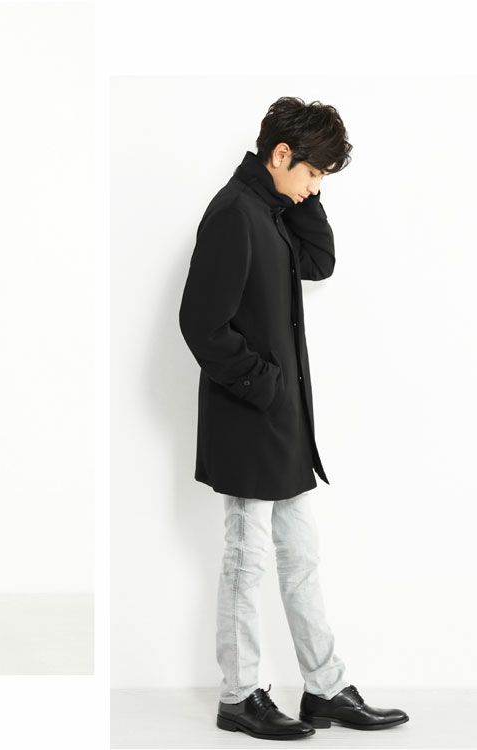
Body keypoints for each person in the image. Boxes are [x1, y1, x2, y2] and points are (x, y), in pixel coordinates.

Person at [178, 97, 408, 740]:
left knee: (301, 556)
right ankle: (238, 696)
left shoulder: (272, 210)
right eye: (312, 173)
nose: (314, 187)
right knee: (246, 559)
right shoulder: (234, 213)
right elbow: (200, 323)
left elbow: (319, 261)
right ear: (279, 155)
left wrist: (307, 191)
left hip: (281, 421)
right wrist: (266, 385)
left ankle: (324, 689)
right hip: (249, 417)